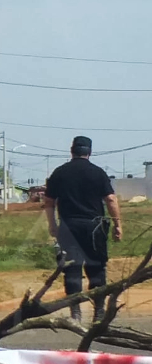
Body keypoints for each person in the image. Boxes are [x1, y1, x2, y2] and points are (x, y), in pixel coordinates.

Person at [45, 136, 123, 323]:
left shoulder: (60, 173)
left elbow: (49, 203)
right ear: (89, 152)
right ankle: (99, 312)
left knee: (71, 270)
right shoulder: (97, 173)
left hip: (69, 226)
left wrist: (53, 225)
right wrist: (117, 224)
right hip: (94, 226)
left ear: (72, 151)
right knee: (96, 269)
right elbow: (111, 200)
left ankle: (76, 313)